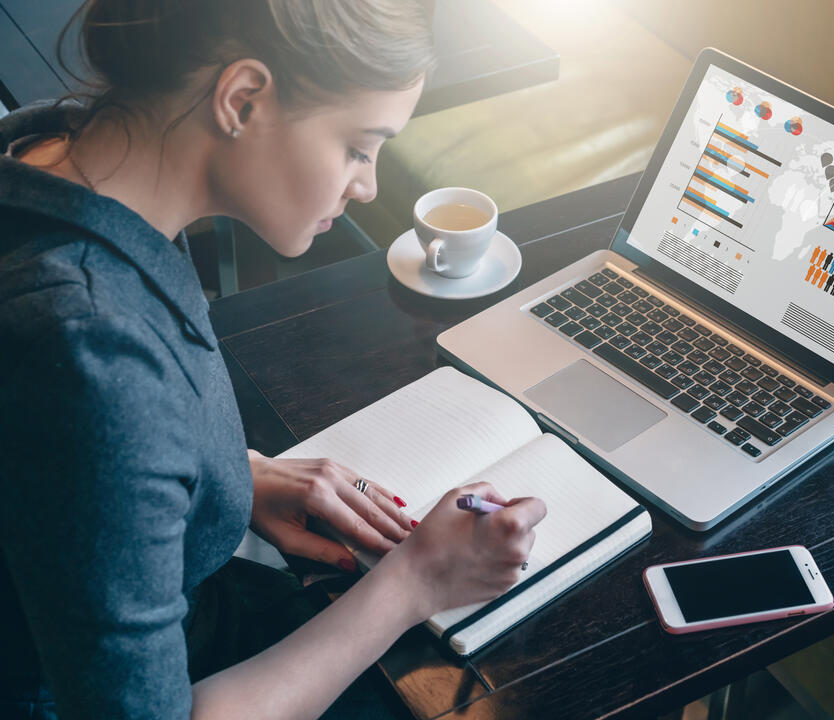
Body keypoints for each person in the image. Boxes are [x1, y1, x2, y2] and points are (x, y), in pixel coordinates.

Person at [0, 1, 546, 718]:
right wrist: (415, 584)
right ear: (243, 99)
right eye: (358, 146)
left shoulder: (51, 145)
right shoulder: (92, 351)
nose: (369, 186)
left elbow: (47, 456)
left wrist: (225, 472)